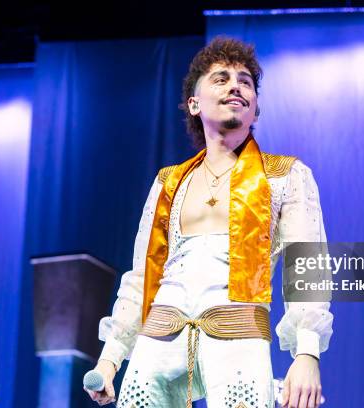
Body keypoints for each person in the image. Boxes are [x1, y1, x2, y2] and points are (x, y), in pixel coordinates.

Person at [85, 36, 333, 408]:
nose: (236, 85)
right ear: (194, 103)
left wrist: (307, 354)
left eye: (245, 81)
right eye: (221, 78)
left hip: (238, 337)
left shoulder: (284, 175)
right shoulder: (169, 182)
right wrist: (109, 358)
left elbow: (307, 270)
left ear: (255, 106)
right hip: (159, 338)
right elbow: (141, 277)